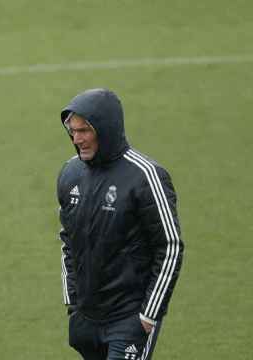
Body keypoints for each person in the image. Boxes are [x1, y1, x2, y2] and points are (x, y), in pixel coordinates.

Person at [56, 89, 184, 360]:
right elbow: (68, 239)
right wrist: (73, 302)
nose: (76, 139)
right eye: (73, 131)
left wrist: (149, 314)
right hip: (87, 319)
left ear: (106, 129)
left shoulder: (146, 176)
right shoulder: (70, 174)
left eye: (84, 131)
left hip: (128, 318)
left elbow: (170, 246)